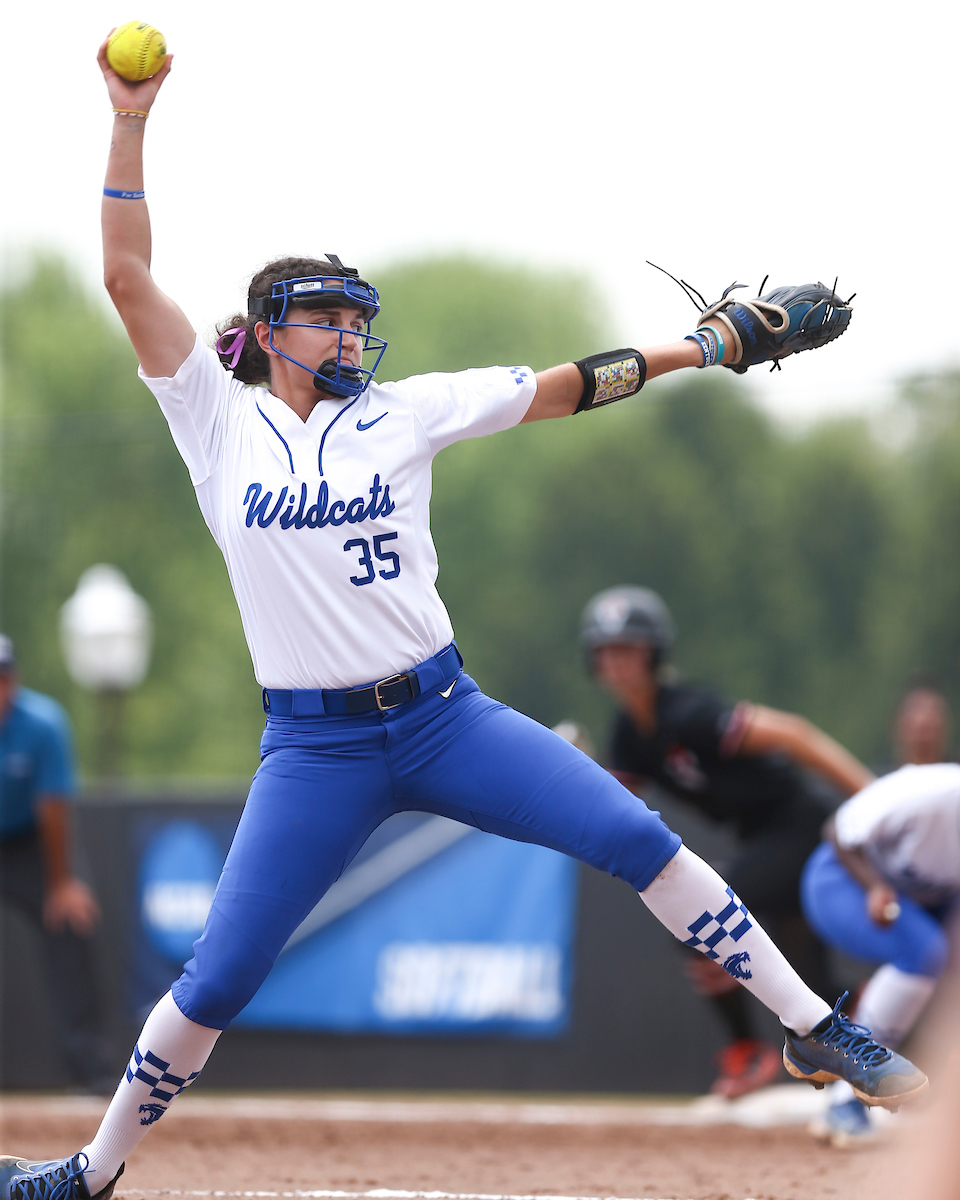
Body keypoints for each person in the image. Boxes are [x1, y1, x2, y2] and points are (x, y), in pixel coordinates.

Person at [0, 38, 928, 1200]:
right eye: (327, 320)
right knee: (219, 979)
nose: (351, 336)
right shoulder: (216, 421)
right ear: (271, 330)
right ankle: (89, 1174)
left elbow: (567, 383)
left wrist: (712, 343)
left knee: (639, 839)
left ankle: (814, 1028)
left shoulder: (405, 410)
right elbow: (127, 274)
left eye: (357, 319)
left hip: (446, 716)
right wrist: (130, 119)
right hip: (316, 749)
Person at [581, 586, 872, 1098]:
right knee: (813, 984)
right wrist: (572, 768)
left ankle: (748, 1051)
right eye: (605, 650)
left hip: (798, 827)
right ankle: (883, 1033)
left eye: (627, 647)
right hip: (762, 837)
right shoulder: (628, 731)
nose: (616, 661)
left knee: (699, 919)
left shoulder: (689, 711)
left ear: (653, 652)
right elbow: (613, 802)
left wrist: (876, 797)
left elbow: (796, 735)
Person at [801, 762, 960, 1146]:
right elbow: (839, 829)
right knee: (924, 951)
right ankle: (846, 1100)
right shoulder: (932, 795)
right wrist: (874, 886)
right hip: (841, 878)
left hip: (926, 897)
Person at [0, 635, 110, 1091]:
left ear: (14, 681)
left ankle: (90, 1069)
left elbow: (53, 808)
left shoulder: (43, 724)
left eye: (3, 679)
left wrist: (62, 882)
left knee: (70, 921)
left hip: (34, 844)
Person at [892, 680, 952, 767]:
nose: (924, 720)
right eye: (915, 710)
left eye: (932, 711)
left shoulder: (955, 773)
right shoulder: (884, 775)